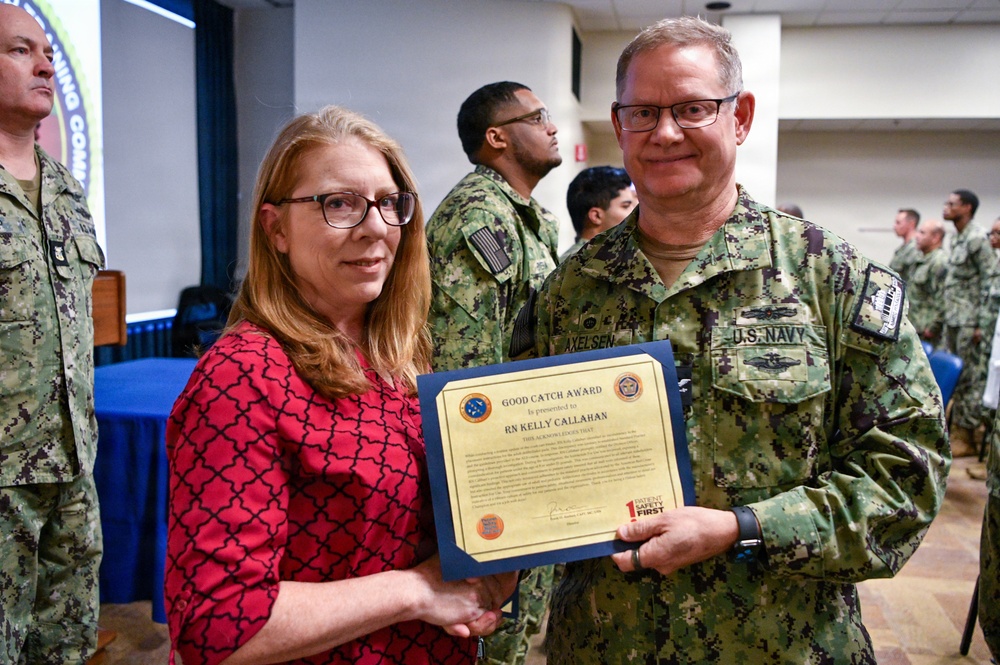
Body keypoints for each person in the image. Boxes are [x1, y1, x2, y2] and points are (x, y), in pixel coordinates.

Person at [521, 16, 949, 663]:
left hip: (783, 642)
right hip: (605, 640)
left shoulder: (830, 277)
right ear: (619, 124)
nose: (665, 132)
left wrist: (743, 527)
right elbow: (530, 458)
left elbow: (905, 479)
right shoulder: (570, 289)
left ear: (740, 116)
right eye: (643, 112)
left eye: (692, 108)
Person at [164, 106, 515, 665]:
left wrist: (488, 573)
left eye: (388, 202)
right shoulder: (242, 376)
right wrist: (418, 592)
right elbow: (217, 625)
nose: (375, 226)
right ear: (276, 229)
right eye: (339, 204)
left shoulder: (400, 356)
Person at [426, 81, 562, 665]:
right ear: (497, 136)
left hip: (528, 449)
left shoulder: (527, 217)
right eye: (538, 116)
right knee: (491, 637)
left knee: (517, 630)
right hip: (496, 461)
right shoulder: (480, 216)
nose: (552, 126)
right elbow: (466, 369)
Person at [0, 5, 105, 662]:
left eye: (48, 53)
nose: (45, 65)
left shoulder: (66, 189)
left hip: (73, 468)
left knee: (67, 648)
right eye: (20, 50)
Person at [943, 189, 992, 457]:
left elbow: (989, 280)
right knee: (957, 377)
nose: (945, 207)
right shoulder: (959, 238)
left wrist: (981, 324)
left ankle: (966, 436)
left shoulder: (977, 238)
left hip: (970, 320)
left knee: (970, 379)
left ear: (967, 208)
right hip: (954, 318)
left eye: (952, 204)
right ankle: (956, 432)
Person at [560, 165, 635, 262]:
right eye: (626, 206)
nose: (635, 211)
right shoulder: (583, 264)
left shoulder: (609, 256)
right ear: (596, 216)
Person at [907, 218, 948, 348]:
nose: (917, 236)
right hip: (915, 325)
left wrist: (933, 327)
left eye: (922, 233)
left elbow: (943, 298)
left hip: (927, 331)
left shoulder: (939, 261)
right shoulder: (921, 258)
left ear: (936, 237)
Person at [890, 207, 921, 283]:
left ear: (911, 224)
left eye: (898, 222)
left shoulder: (915, 248)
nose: (894, 226)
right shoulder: (903, 248)